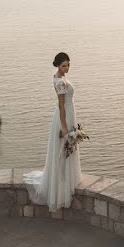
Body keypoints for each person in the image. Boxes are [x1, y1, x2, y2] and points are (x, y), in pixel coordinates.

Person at [23, 52, 82, 211]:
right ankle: (62, 184)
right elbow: (61, 106)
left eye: (68, 64)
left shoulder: (58, 77)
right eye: (64, 65)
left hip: (69, 114)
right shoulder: (60, 83)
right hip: (64, 116)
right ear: (58, 65)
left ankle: (68, 179)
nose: (67, 68)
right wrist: (64, 128)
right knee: (63, 149)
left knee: (66, 149)